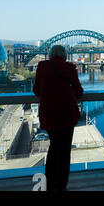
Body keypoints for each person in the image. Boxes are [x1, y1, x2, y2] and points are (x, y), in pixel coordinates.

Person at [33, 45, 83, 191]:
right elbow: (79, 91)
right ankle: (61, 185)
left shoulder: (42, 66)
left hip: (49, 114)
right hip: (67, 114)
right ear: (64, 55)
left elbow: (36, 91)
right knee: (64, 151)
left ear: (50, 54)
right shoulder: (70, 67)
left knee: (54, 148)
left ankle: (48, 183)